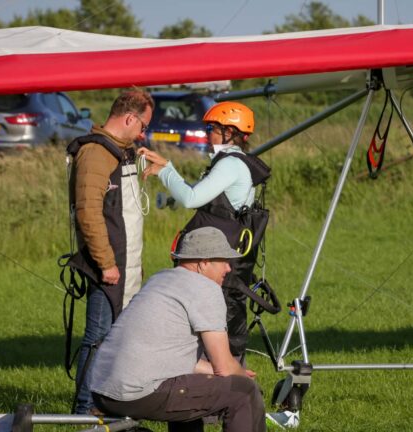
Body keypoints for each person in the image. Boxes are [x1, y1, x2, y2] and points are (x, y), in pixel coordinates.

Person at [89, 226, 266, 432]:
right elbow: (224, 367)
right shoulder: (205, 288)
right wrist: (242, 376)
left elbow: (169, 355)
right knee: (244, 393)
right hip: (134, 393)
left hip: (102, 390)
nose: (228, 268)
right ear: (204, 262)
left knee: (193, 388)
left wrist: (211, 371)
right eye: (223, 261)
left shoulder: (161, 280)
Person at [138, 101, 270, 363]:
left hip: (220, 258)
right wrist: (169, 185)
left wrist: (166, 170)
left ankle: (225, 384)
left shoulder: (230, 165)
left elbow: (192, 198)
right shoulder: (230, 162)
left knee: (215, 319)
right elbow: (204, 197)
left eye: (212, 128)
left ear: (229, 132)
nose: (208, 133)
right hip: (227, 253)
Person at [66, 87, 154, 414]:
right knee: (98, 338)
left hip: (124, 264)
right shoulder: (96, 153)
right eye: (142, 125)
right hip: (108, 267)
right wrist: (106, 263)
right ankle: (85, 411)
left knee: (118, 339)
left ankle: (110, 405)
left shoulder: (120, 150)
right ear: (129, 118)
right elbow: (88, 211)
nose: (143, 133)